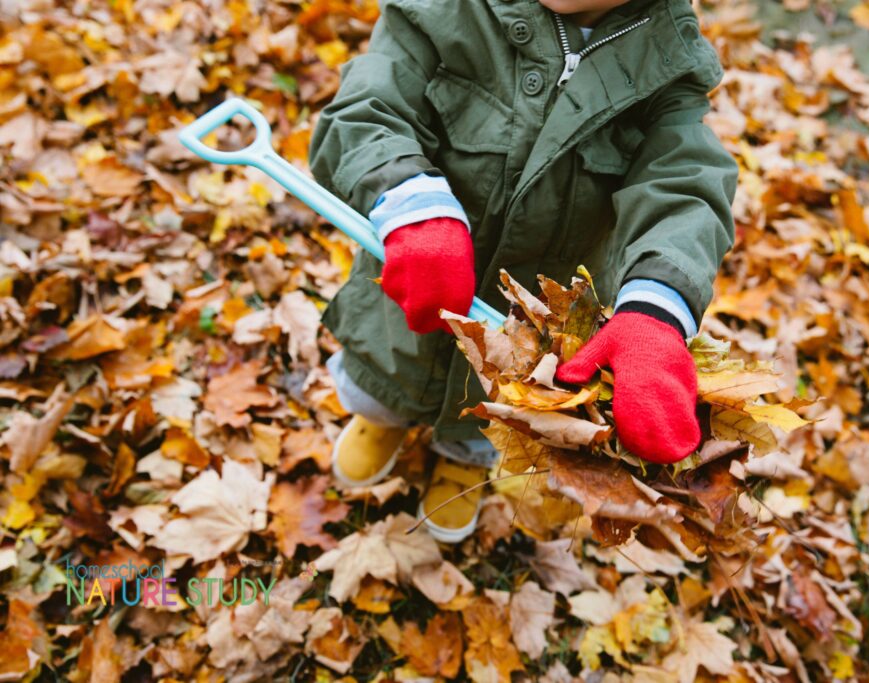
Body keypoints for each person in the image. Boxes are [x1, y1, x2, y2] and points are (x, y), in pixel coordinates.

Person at [309, 0, 738, 543]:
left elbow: (685, 188)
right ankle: (382, 418)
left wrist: (656, 306)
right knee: (385, 372)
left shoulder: (668, 61)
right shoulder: (443, 10)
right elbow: (368, 106)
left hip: (528, 317)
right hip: (416, 272)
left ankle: (461, 458)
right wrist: (408, 200)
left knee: (494, 408)